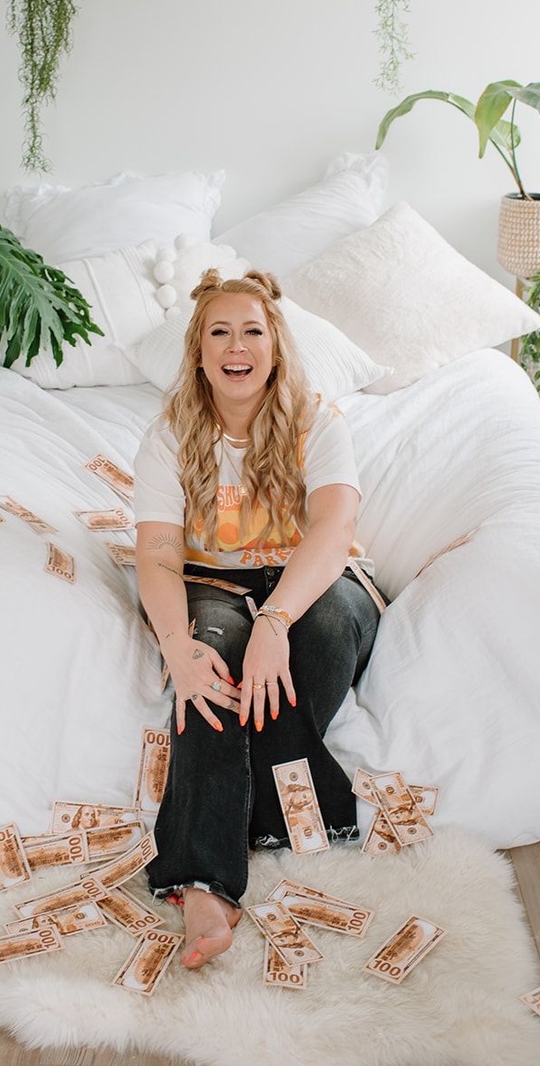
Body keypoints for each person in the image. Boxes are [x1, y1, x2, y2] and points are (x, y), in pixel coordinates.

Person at [133, 269, 383, 969]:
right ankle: (202, 883)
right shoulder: (168, 435)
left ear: (275, 346)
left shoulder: (317, 421)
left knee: (319, 638)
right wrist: (177, 646)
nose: (236, 346)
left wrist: (274, 624)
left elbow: (332, 531)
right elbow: (156, 553)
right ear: (198, 351)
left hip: (318, 581)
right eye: (219, 332)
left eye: (252, 331)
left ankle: (242, 816)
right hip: (211, 583)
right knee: (208, 672)